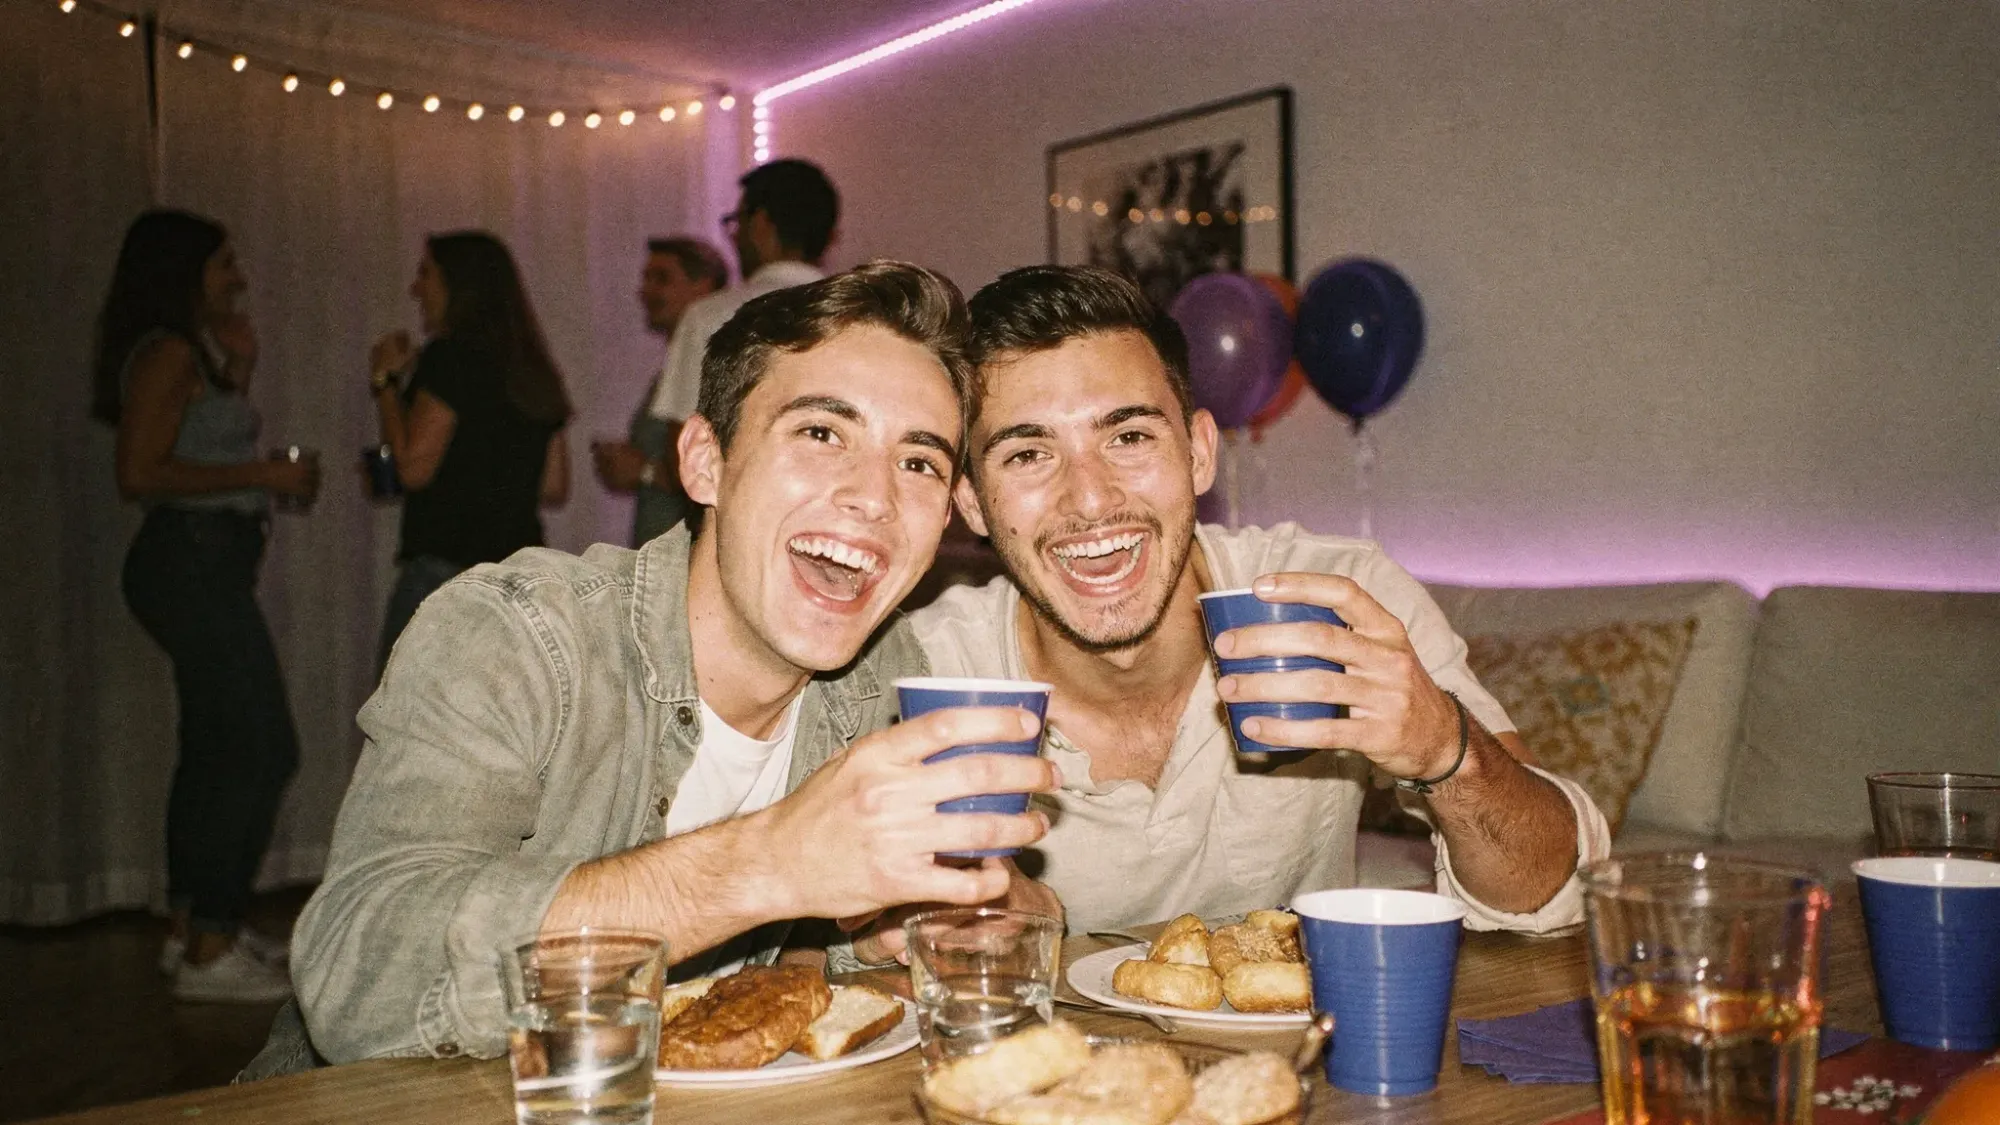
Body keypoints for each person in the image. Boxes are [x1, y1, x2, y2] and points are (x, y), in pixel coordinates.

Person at [283, 262, 1059, 1068]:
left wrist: (918, 927)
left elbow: (813, 963)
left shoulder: (888, 677)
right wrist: (767, 861)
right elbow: (356, 983)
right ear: (703, 462)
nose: (875, 496)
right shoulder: (519, 636)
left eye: (920, 462)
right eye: (822, 432)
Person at [897, 265, 1611, 940]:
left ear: (1200, 452)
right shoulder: (919, 670)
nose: (1091, 497)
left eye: (1130, 435)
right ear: (972, 503)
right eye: (1028, 454)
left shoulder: (1340, 599)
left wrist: (1446, 750)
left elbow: (1547, 894)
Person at [92, 209, 319, 1003]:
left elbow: (198, 444)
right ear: (185, 269)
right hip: (187, 564)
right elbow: (142, 474)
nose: (237, 276)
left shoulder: (196, 354)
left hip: (202, 566)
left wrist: (244, 371)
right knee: (262, 746)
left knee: (214, 745)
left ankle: (192, 929)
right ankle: (211, 943)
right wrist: (263, 475)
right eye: (224, 263)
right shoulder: (167, 352)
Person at [367, 232, 571, 668]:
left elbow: (414, 469)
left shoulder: (450, 359)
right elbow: (554, 485)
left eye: (426, 273)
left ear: (458, 284)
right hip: (520, 578)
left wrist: (384, 384)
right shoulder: (531, 367)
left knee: (410, 726)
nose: (415, 288)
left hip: (448, 575)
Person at [641, 159, 840, 471]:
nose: (734, 237)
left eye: (737, 222)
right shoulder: (859, 316)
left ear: (759, 224)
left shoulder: (711, 317)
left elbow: (685, 450)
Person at [591, 237, 728, 544]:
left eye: (662, 279)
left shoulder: (715, 365)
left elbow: (719, 468)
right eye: (646, 279)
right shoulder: (671, 371)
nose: (646, 291)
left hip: (686, 555)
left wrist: (643, 471)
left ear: (703, 288)